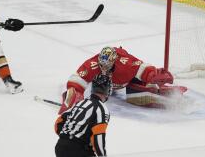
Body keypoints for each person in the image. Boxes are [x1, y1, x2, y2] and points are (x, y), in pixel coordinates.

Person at [59, 46, 187, 114]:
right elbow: (76, 80)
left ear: (114, 61)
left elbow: (143, 69)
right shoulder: (92, 65)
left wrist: (152, 75)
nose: (103, 68)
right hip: (113, 86)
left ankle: (167, 95)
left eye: (107, 65)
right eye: (101, 65)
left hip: (129, 81)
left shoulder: (126, 64)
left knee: (139, 98)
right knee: (98, 91)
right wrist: (73, 94)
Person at [54, 74, 111, 157]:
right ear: (108, 90)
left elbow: (58, 123)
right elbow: (98, 136)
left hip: (60, 146)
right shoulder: (101, 109)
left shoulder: (80, 103)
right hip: (79, 150)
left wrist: (66, 138)